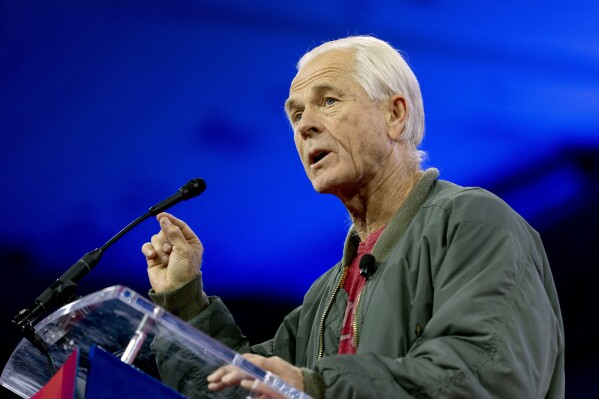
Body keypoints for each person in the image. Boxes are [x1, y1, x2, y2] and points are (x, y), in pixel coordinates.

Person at [141, 36, 564, 398]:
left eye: (328, 100)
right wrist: (182, 300)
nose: (305, 125)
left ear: (394, 114)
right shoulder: (325, 295)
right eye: (295, 114)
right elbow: (238, 387)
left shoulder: (471, 222)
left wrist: (321, 388)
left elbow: (483, 373)